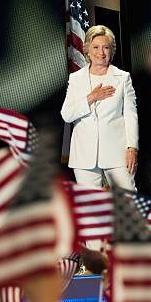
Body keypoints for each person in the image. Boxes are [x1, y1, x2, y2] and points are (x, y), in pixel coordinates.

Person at [61, 25, 138, 191]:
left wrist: (132, 148)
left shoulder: (123, 78)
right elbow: (67, 115)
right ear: (88, 50)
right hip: (84, 154)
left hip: (117, 152)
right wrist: (91, 97)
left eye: (106, 47)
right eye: (96, 47)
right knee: (90, 206)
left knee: (128, 200)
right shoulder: (76, 79)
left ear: (112, 51)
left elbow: (131, 116)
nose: (101, 53)